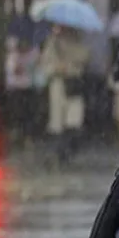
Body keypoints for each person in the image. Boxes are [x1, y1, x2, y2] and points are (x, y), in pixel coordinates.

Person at [39, 25, 91, 165]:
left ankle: (66, 151)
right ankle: (58, 153)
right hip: (59, 84)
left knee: (74, 121)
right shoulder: (52, 43)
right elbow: (46, 64)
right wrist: (57, 67)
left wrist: (70, 61)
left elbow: (85, 57)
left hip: (74, 84)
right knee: (57, 122)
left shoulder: (78, 42)